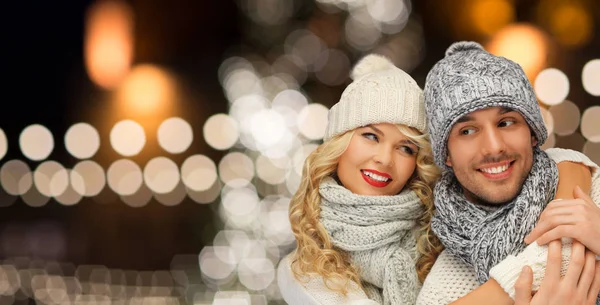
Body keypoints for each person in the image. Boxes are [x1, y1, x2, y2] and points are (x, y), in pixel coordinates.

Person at [277, 52, 595, 305]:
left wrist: (571, 170)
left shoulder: (440, 227)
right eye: (370, 136)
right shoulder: (306, 272)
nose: (384, 159)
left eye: (405, 147)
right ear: (338, 142)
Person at [416, 41, 600, 305]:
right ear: (446, 154)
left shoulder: (589, 191)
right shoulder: (441, 288)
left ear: (532, 133)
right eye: (467, 131)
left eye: (506, 122)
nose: (494, 147)